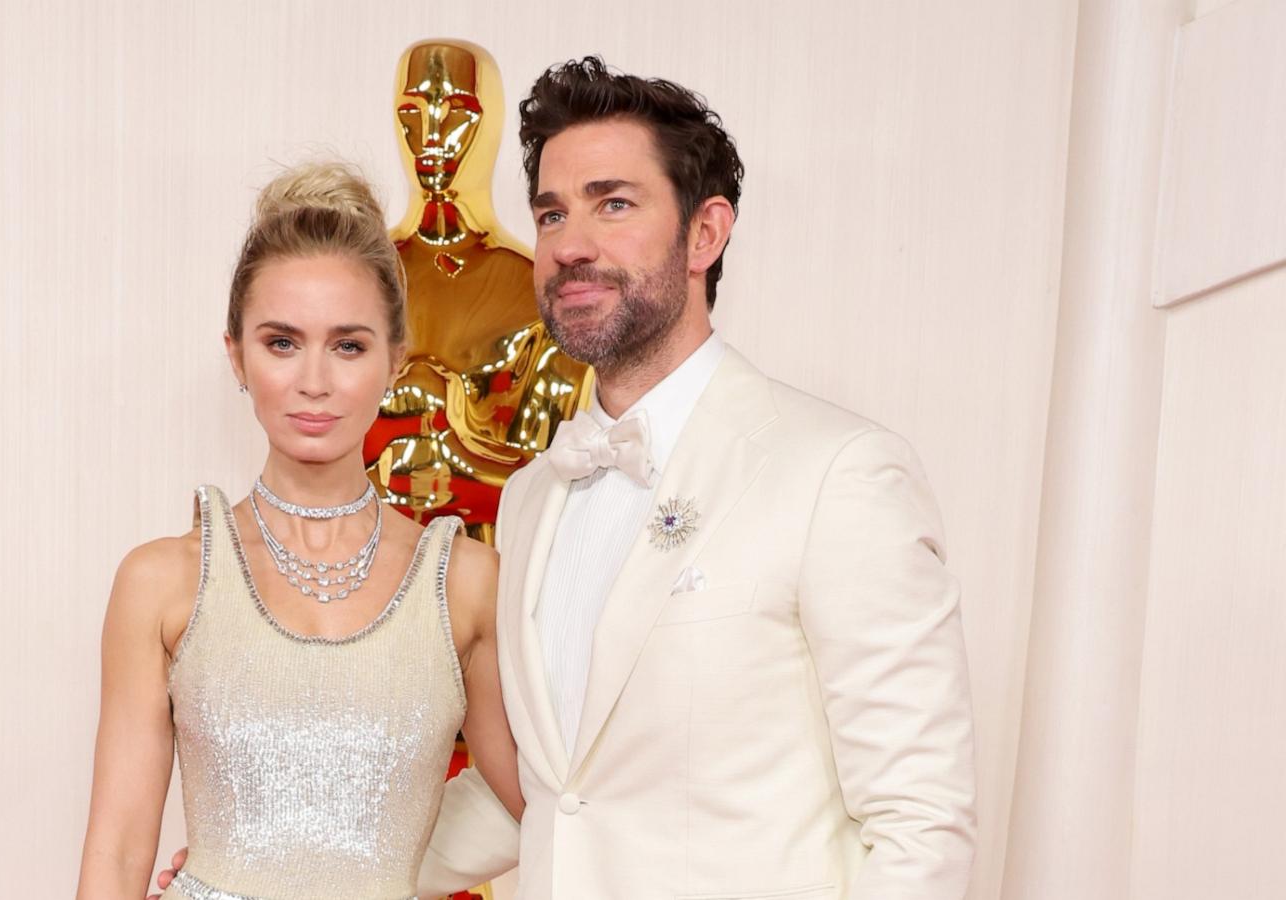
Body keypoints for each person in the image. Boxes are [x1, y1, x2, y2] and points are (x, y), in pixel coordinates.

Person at [162, 57, 978, 900]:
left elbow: (922, 824)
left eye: (613, 204)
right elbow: (546, 794)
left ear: (706, 233)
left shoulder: (837, 474)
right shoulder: (532, 500)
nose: (572, 245)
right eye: (552, 214)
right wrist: (272, 860)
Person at [74, 162, 523, 900]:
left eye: (348, 345)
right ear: (237, 357)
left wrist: (393, 874)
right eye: (282, 342)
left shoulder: (464, 581)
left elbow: (542, 802)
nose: (314, 379)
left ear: (394, 361)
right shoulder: (161, 582)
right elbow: (119, 851)